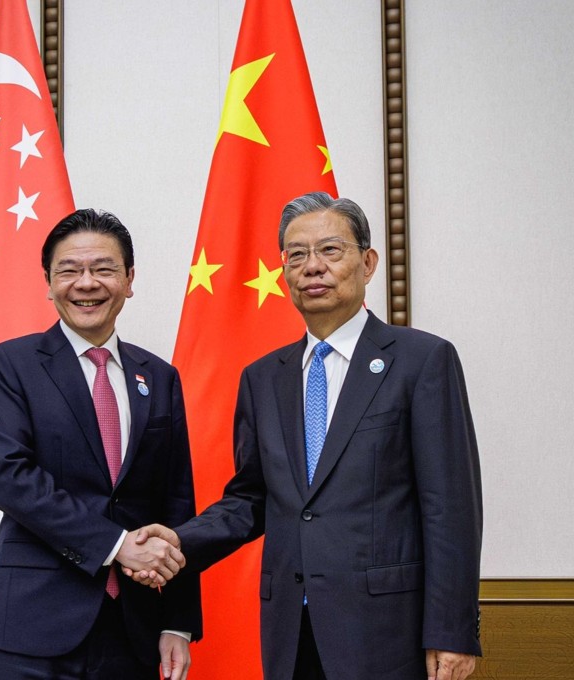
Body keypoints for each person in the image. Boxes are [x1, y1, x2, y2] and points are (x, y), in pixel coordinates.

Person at [130, 192, 482, 680]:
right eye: (296, 255)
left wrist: (452, 631)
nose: (312, 267)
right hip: (291, 629)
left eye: (330, 251)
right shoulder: (262, 378)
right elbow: (251, 498)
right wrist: (178, 542)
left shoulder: (422, 361)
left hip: (387, 631)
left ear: (368, 262)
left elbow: (451, 507)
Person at [0, 208, 202, 680]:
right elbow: (10, 477)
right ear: (49, 282)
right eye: (69, 271)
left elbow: (176, 500)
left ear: (129, 279)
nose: (86, 283)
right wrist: (116, 544)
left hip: (131, 629)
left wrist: (178, 620)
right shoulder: (11, 364)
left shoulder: (158, 377)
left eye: (103, 268)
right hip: (32, 627)